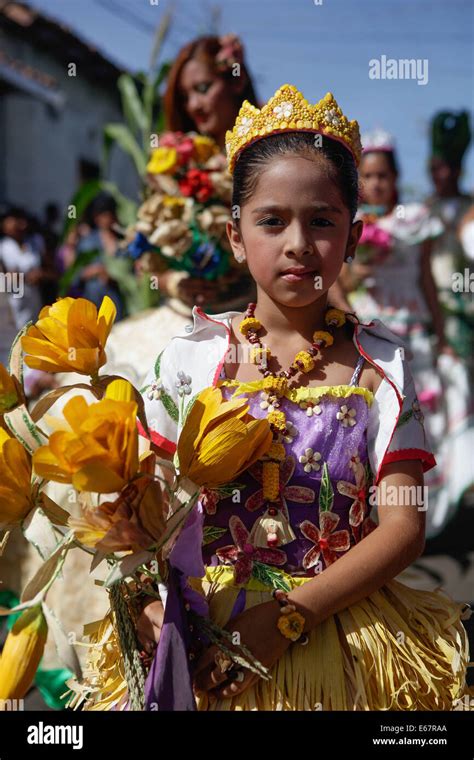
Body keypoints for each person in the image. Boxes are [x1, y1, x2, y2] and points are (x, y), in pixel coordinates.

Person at [135, 85, 473, 711]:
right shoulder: (191, 357)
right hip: (198, 636)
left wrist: (289, 617)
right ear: (235, 235)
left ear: (354, 235)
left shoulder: (382, 365)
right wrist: (150, 606)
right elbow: (138, 504)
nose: (298, 243)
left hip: (333, 637)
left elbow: (403, 525)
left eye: (322, 221)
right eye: (271, 220)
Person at [102, 34, 259, 387]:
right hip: (181, 317)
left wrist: (235, 276)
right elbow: (147, 251)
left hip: (251, 320)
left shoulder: (271, 161)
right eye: (185, 96)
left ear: (235, 80)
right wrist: (177, 282)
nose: (194, 105)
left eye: (203, 88)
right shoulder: (171, 165)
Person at [340, 131, 473, 538]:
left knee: (422, 423)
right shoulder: (351, 221)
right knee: (378, 423)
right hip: (371, 329)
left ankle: (426, 520)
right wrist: (354, 273)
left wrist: (441, 333)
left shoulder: (417, 219)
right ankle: (383, 523)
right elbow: (338, 282)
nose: (376, 183)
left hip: (414, 332)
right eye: (369, 176)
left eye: (383, 175)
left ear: (397, 177)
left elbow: (426, 281)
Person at [425, 110, 473, 373]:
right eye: (435, 168)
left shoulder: (470, 208)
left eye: (448, 168)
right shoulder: (421, 212)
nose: (441, 175)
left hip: (464, 313)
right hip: (427, 314)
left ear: (459, 170)